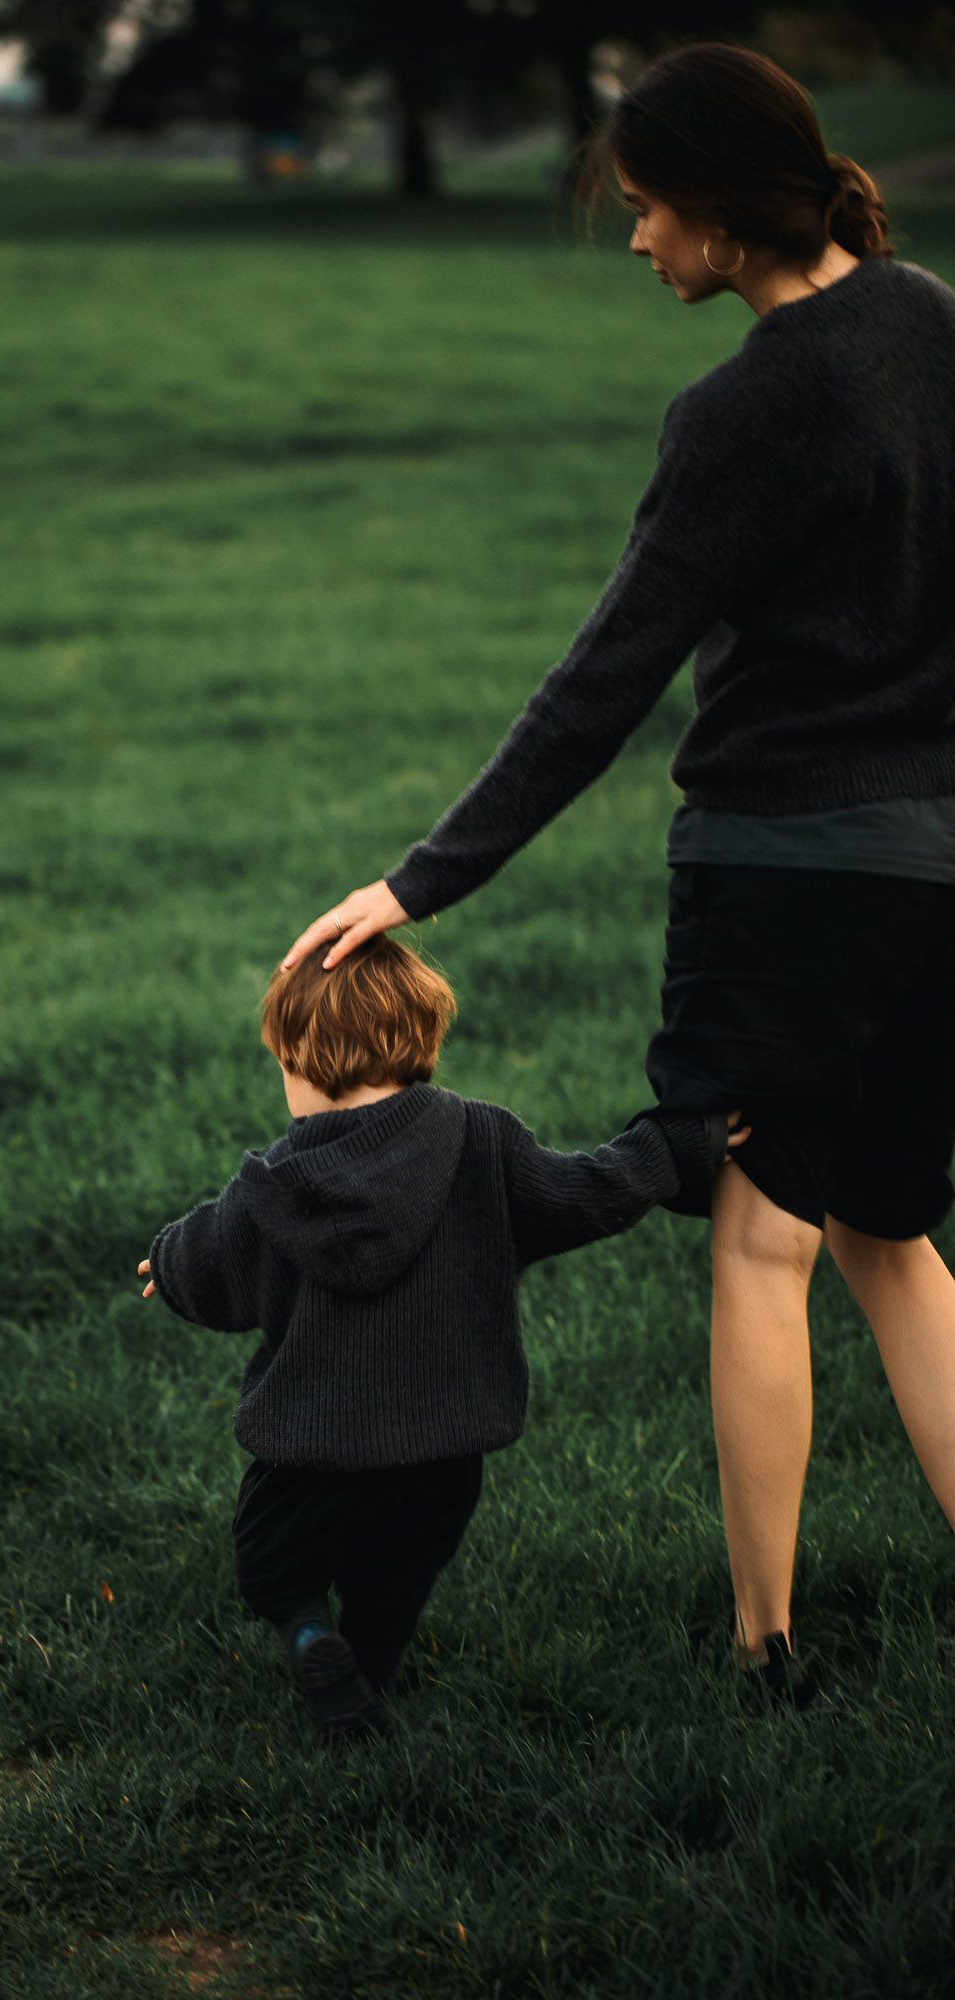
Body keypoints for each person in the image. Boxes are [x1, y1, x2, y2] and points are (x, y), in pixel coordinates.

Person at [282, 42, 955, 1705]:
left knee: (763, 1249)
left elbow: (602, 681)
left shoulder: (742, 410)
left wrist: (419, 881)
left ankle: (763, 1649)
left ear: (721, 216)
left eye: (648, 209)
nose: (637, 240)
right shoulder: (930, 321)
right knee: (893, 1243)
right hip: (934, 870)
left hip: (784, 878)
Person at [138, 936, 737, 1746]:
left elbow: (208, 1263)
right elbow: (589, 1193)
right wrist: (674, 1144)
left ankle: (312, 1639)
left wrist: (167, 1266)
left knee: (271, 1563)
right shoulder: (483, 1143)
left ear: (302, 1060)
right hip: (443, 1448)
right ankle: (366, 1678)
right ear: (417, 1042)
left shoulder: (273, 1188)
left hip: (312, 1450)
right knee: (397, 1581)